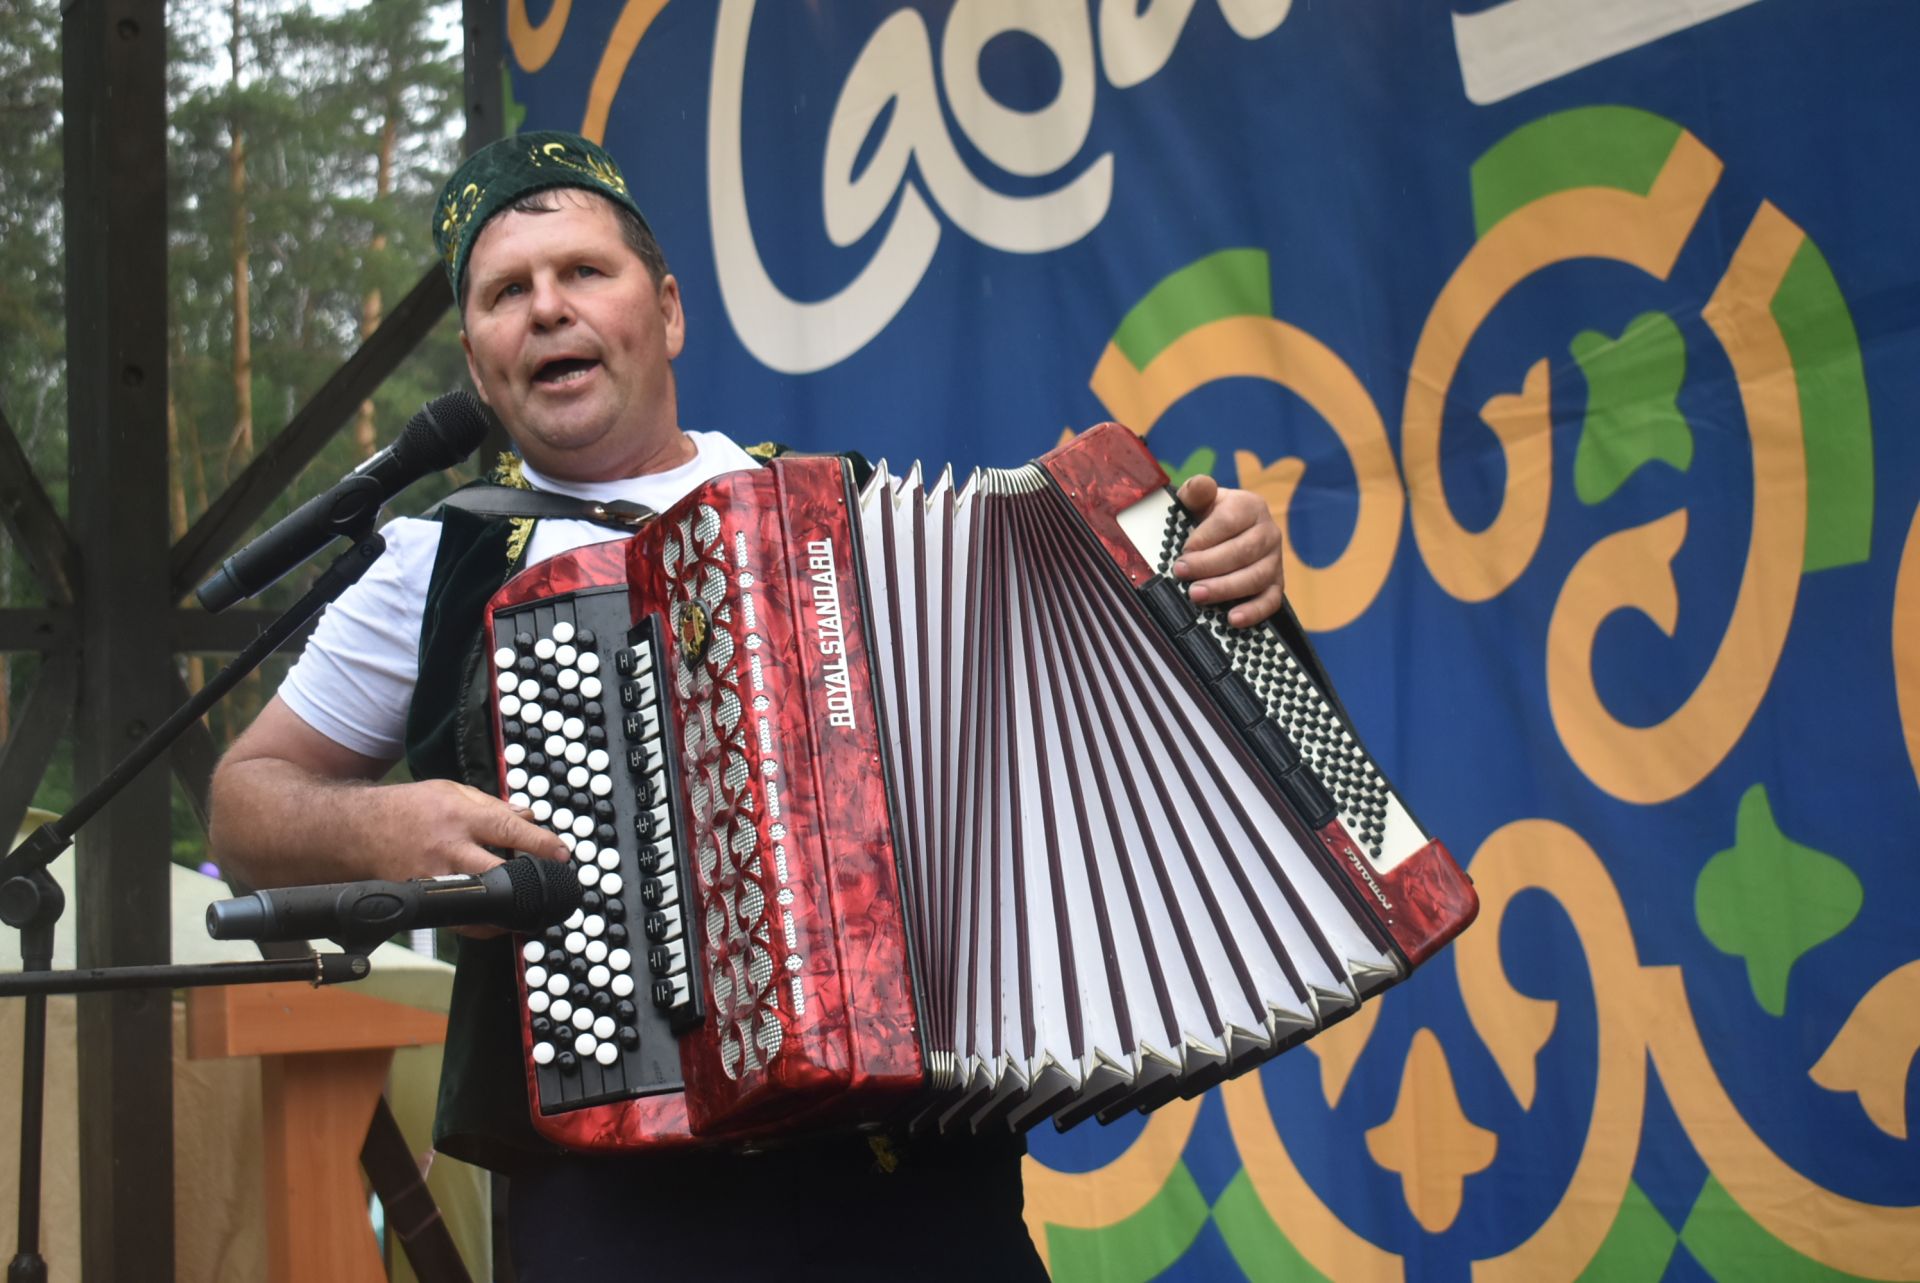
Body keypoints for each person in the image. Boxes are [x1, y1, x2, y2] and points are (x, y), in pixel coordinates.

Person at [209, 130, 1287, 1280]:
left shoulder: (848, 516)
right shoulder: (437, 560)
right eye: (505, 292)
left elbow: (1085, 710)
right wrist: (382, 826)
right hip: (619, 1199)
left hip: (910, 1179)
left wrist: (1218, 570)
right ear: (477, 365)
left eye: (584, 272)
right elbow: (243, 805)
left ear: (665, 311)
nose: (547, 309)